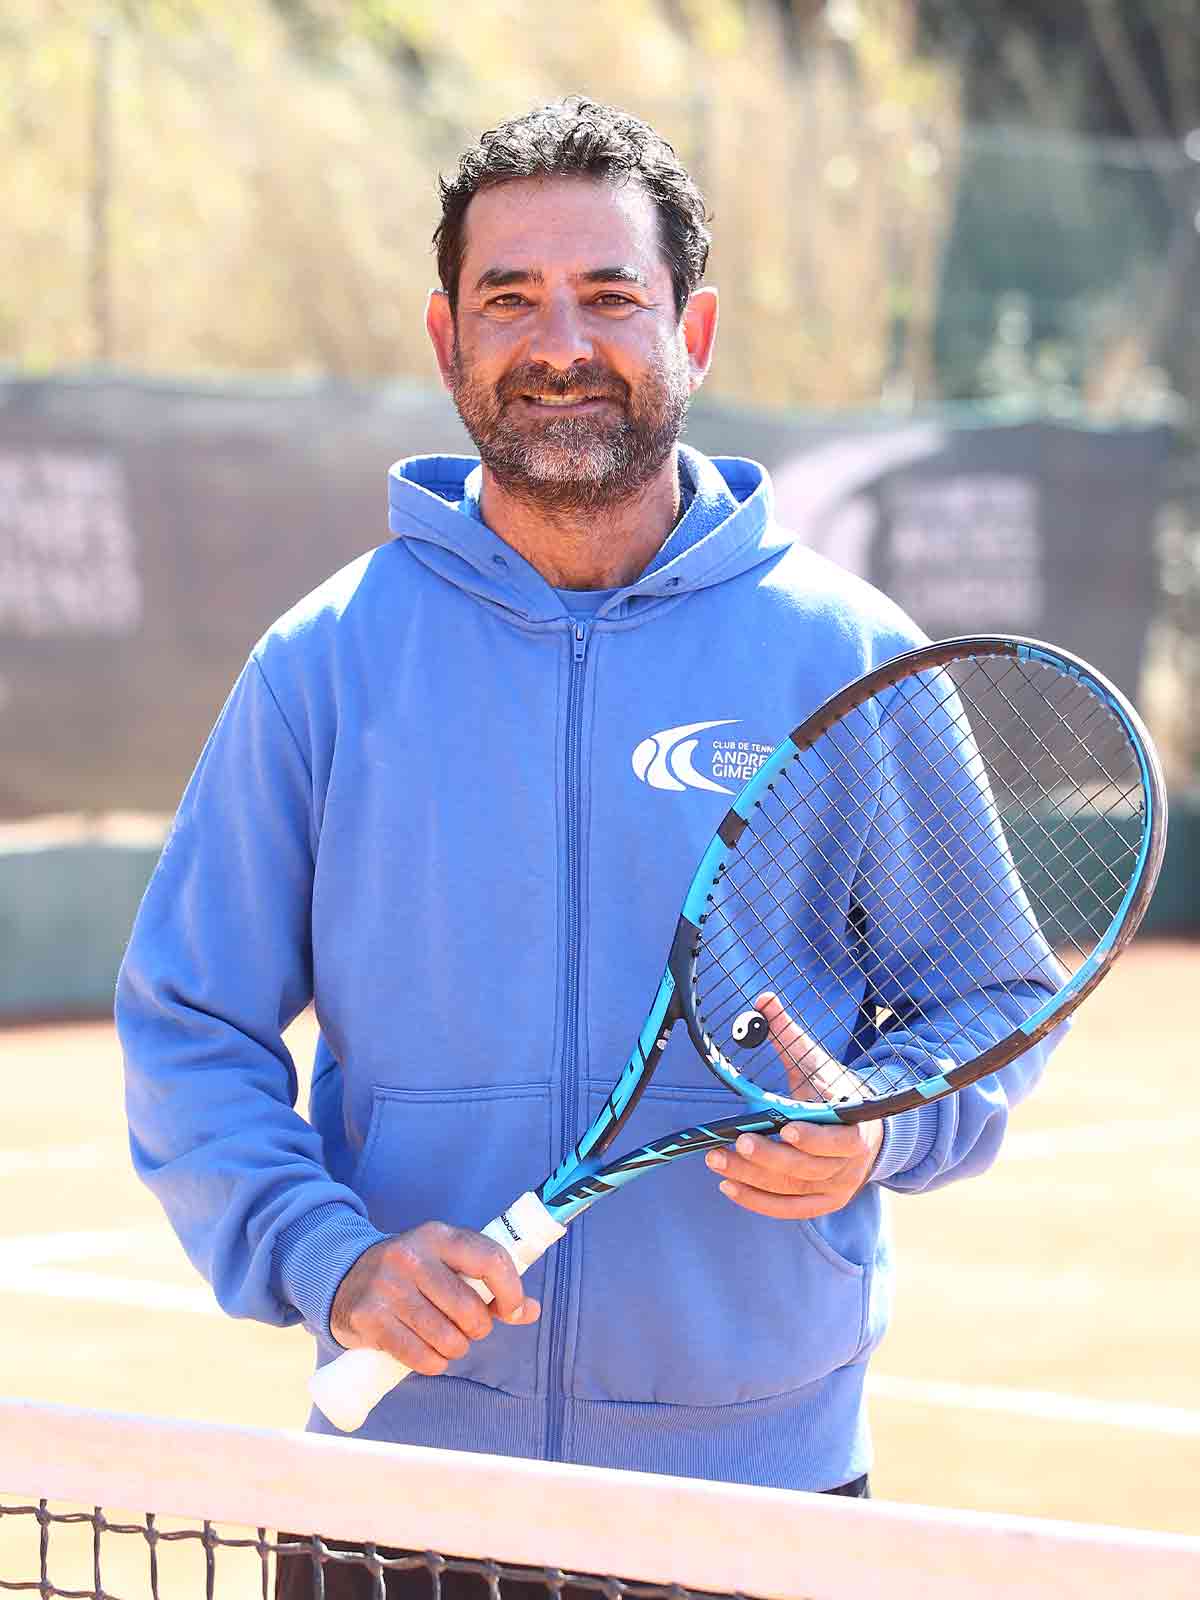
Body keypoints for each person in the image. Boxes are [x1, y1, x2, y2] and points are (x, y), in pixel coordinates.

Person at [115, 97, 1058, 1582]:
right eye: (512, 299)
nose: (561, 342)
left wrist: (881, 1121)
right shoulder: (325, 665)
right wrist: (332, 1260)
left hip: (757, 1510)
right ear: (448, 344)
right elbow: (188, 1023)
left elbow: (993, 991)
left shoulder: (848, 656)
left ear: (695, 335)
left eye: (611, 295)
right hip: (398, 1511)